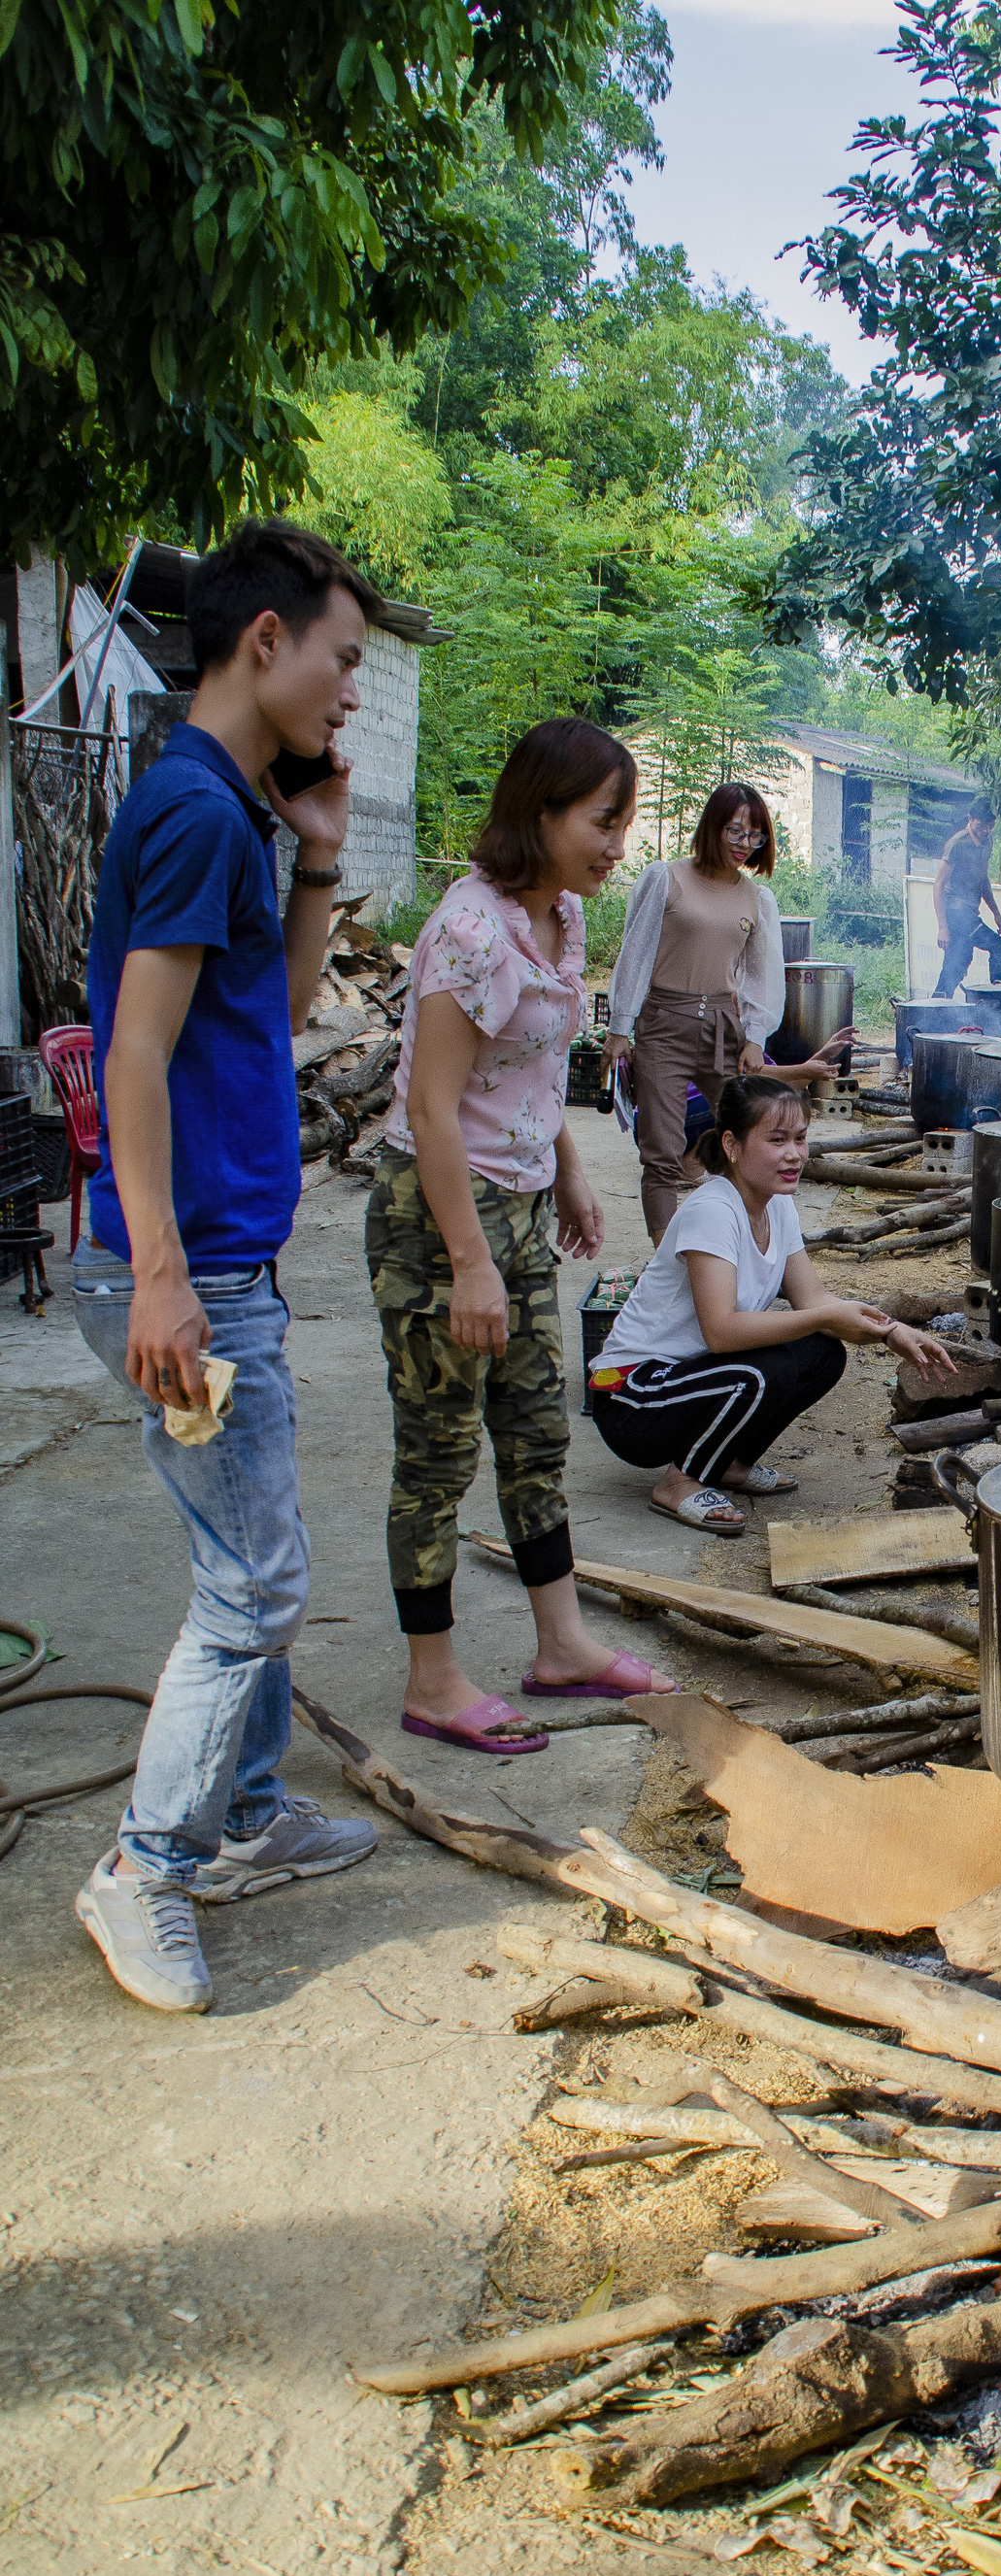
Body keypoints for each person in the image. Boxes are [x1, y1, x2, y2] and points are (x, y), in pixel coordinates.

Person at [70, 521, 384, 2015]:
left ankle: (245, 1818)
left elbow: (273, 1005)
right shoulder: (194, 810)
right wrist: (157, 1273)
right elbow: (134, 1055)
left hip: (222, 1254)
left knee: (251, 1557)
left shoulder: (224, 806)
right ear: (264, 641)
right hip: (184, 1263)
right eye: (341, 661)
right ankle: (145, 1867)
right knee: (255, 1581)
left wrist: (319, 854)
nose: (351, 698)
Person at [367, 718, 680, 1753]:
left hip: (519, 1205)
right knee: (439, 1450)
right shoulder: (471, 931)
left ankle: (561, 1647)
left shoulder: (562, 917)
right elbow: (432, 1109)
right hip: (435, 1214)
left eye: (623, 821)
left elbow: (537, 1073)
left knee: (538, 1428)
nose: (615, 842)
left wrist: (572, 1172)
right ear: (539, 810)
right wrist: (468, 1261)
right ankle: (433, 1677)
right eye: (603, 819)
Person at [585, 1074, 958, 1533]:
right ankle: (680, 1481)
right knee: (768, 1369)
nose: (794, 1154)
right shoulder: (713, 1209)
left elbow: (814, 1298)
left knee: (822, 1354)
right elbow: (721, 1333)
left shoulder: (777, 1204)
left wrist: (892, 1331)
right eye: (777, 1139)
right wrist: (822, 1317)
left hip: (694, 1379)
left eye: (801, 1138)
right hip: (632, 1397)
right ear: (732, 1145)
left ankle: (729, 1464)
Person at [604, 784, 788, 1240]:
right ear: (713, 826)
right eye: (735, 831)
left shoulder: (756, 898)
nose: (745, 844)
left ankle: (739, 1247)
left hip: (724, 1029)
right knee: (662, 1153)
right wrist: (620, 1027)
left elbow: (759, 974)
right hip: (664, 1024)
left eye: (756, 836)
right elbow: (636, 953)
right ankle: (668, 1262)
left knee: (746, 1140)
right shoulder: (666, 878)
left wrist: (754, 1037)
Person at [933, 799, 1001, 996]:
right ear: (970, 818)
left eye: (990, 826)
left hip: (970, 913)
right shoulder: (956, 844)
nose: (986, 831)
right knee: (998, 947)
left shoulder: (987, 842)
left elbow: (983, 881)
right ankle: (1000, 1002)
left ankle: (933, 1010)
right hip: (956, 913)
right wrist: (942, 927)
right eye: (982, 826)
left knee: (956, 965)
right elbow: (939, 885)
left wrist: (997, 915)